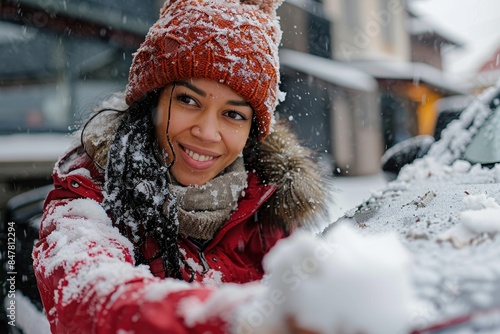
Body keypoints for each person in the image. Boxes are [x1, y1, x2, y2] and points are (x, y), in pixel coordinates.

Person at [33, 0, 331, 332]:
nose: (206, 132)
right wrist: (242, 318)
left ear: (251, 133)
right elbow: (92, 299)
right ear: (153, 101)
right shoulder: (85, 200)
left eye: (233, 114)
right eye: (188, 100)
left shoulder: (268, 205)